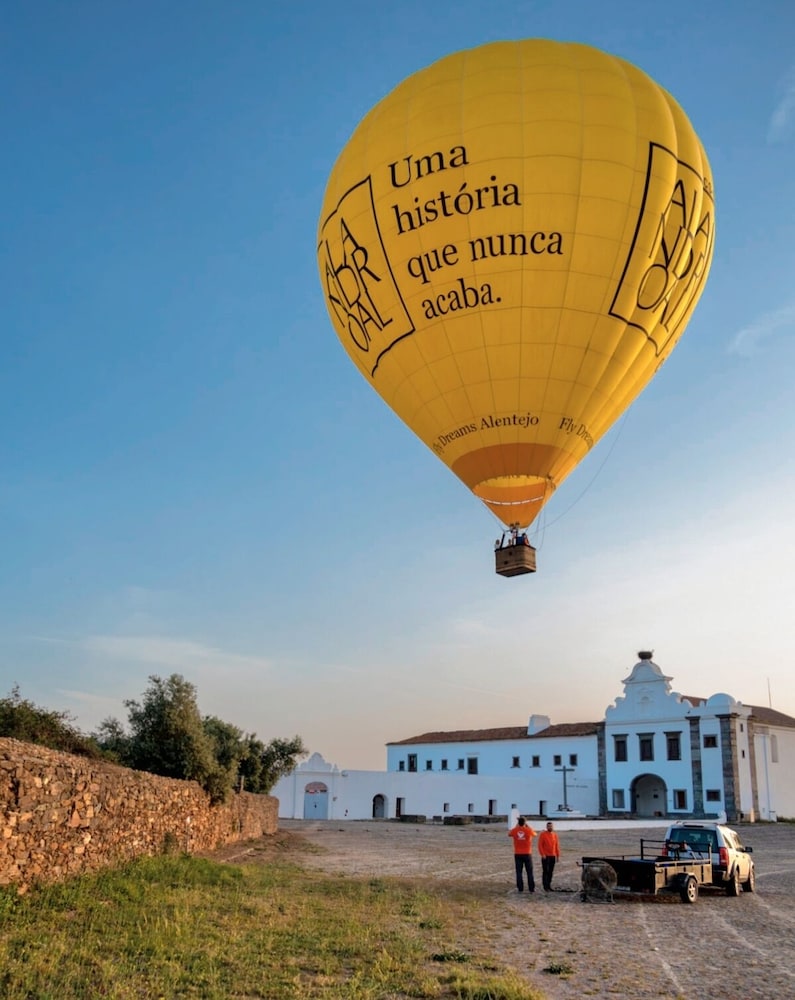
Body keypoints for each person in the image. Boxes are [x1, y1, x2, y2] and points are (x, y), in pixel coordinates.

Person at [508, 816, 536, 892]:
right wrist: (526, 825)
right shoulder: (528, 830)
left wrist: (517, 825)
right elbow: (534, 834)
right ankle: (531, 888)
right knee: (529, 872)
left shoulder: (515, 830)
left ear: (518, 823)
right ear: (525, 823)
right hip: (527, 853)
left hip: (518, 853)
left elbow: (509, 833)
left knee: (519, 872)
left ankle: (520, 888)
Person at [538, 820, 561, 892]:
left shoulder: (555, 835)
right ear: (546, 827)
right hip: (545, 856)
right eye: (548, 826)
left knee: (551, 871)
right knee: (546, 871)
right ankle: (545, 886)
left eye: (551, 826)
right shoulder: (543, 834)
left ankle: (549, 885)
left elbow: (557, 845)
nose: (550, 827)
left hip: (553, 855)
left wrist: (558, 855)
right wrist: (542, 854)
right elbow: (540, 845)